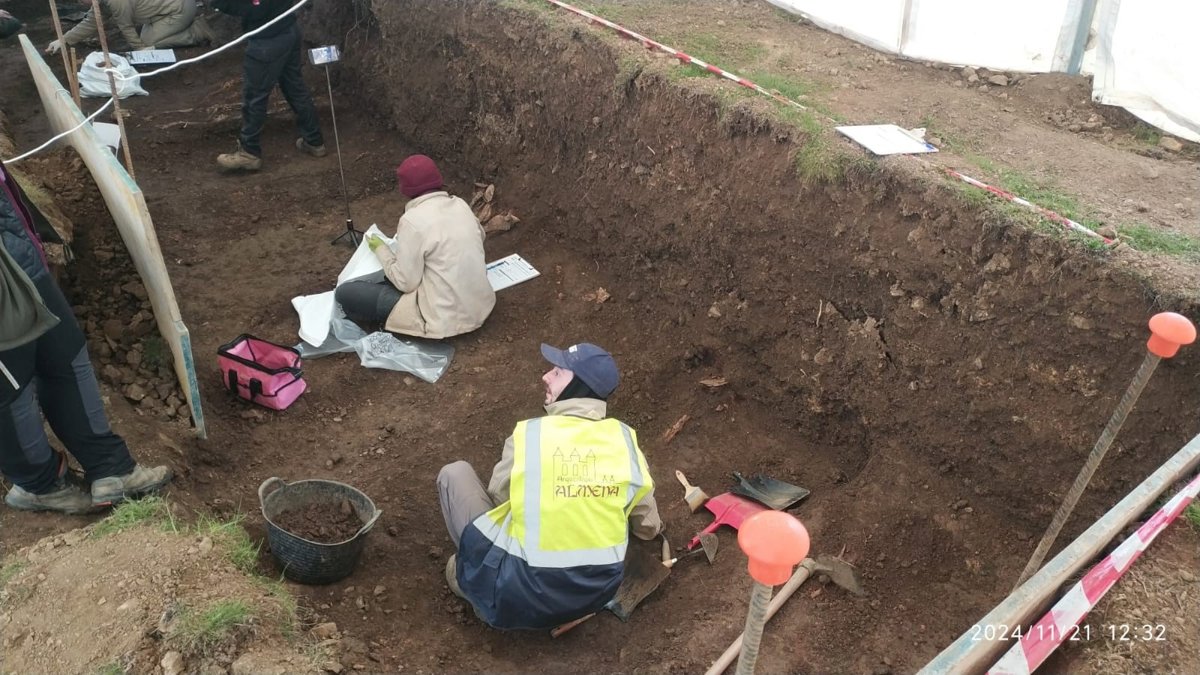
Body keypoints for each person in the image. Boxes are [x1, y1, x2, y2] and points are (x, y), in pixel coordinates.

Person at [436, 342, 663, 630]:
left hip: (512, 596)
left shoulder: (530, 435)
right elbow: (648, 527)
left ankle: (477, 588)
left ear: (578, 386)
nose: (546, 376)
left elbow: (499, 499)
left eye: (557, 373)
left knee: (454, 474)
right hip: (592, 596)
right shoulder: (625, 442)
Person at [1, 163, 173, 514]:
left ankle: (111, 467)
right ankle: (38, 485)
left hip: (20, 258)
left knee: (66, 356)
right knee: (10, 390)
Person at [335, 155, 496, 339]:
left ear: (405, 188)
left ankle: (382, 324)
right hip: (480, 307)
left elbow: (406, 283)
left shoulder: (412, 220)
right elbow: (480, 236)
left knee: (345, 293)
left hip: (442, 319)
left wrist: (381, 249)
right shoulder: (460, 204)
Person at [213, 0, 325, 172]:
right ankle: (314, 140)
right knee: (295, 88)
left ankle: (249, 153)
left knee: (254, 96)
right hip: (288, 29)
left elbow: (252, 8)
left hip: (267, 40)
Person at [47, 0, 214, 54]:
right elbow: (92, 21)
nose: (81, 2)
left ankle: (197, 32)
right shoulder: (101, 1)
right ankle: (177, 28)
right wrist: (63, 40)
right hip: (161, 13)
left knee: (149, 43)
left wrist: (140, 49)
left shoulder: (115, 1)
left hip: (179, 9)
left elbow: (125, 26)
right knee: (146, 40)